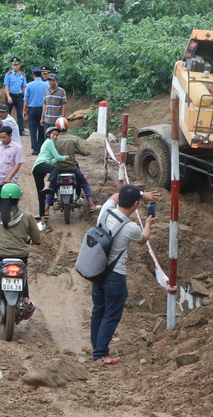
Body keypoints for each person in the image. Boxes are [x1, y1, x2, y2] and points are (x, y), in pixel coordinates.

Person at [89, 184, 155, 365]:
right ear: (136, 204)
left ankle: (97, 348)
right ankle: (101, 354)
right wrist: (148, 224)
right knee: (111, 314)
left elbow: (115, 195)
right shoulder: (131, 227)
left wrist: (141, 194)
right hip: (115, 276)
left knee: (98, 310)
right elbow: (143, 239)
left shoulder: (105, 211)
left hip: (97, 271)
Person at [0, 183, 41, 307]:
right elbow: (36, 237)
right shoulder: (27, 216)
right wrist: (34, 241)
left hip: (0, 255)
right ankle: (26, 300)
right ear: (18, 199)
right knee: (23, 274)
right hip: (20, 256)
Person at [32, 118, 95, 221]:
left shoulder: (53, 140)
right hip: (72, 168)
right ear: (68, 126)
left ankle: (46, 210)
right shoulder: (74, 139)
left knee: (52, 186)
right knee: (84, 183)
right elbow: (84, 152)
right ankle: (91, 204)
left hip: (58, 168)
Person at [2, 57, 27, 140]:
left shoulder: (22, 75)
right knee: (6, 113)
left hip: (19, 96)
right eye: (13, 65)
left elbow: (24, 87)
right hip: (10, 95)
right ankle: (4, 129)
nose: (15, 66)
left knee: (20, 113)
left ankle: (21, 130)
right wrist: (8, 96)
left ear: (19, 65)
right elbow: (6, 86)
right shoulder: (8, 74)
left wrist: (25, 97)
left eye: (16, 65)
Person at [25, 67, 49, 151]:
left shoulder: (29, 85)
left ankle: (35, 148)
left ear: (33, 75)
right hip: (43, 110)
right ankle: (40, 146)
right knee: (41, 128)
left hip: (32, 109)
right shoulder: (46, 85)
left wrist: (24, 110)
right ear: (41, 75)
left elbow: (26, 99)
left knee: (32, 129)